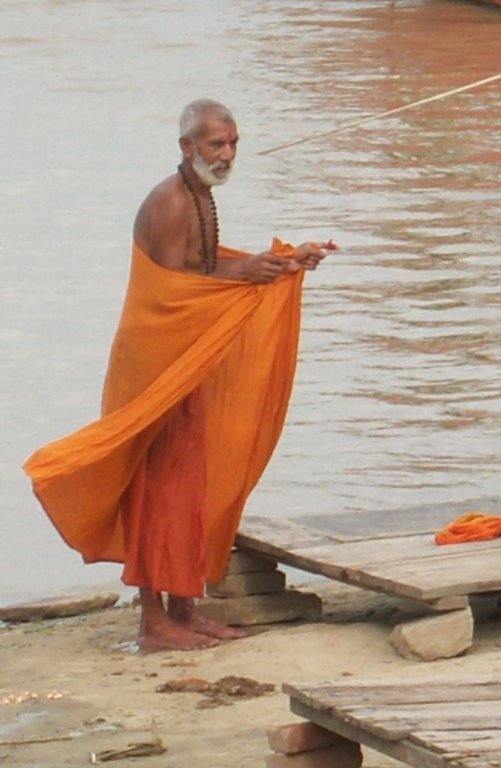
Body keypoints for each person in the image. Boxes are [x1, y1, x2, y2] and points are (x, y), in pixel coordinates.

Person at [24, 99, 334, 650]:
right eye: (216, 144)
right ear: (186, 147)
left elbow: (209, 268)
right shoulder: (170, 203)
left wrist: (284, 264)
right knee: (151, 488)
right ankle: (153, 622)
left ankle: (185, 609)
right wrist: (253, 271)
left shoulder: (201, 197)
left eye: (233, 143)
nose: (227, 154)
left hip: (184, 363)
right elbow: (178, 292)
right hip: (154, 366)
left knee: (189, 484)